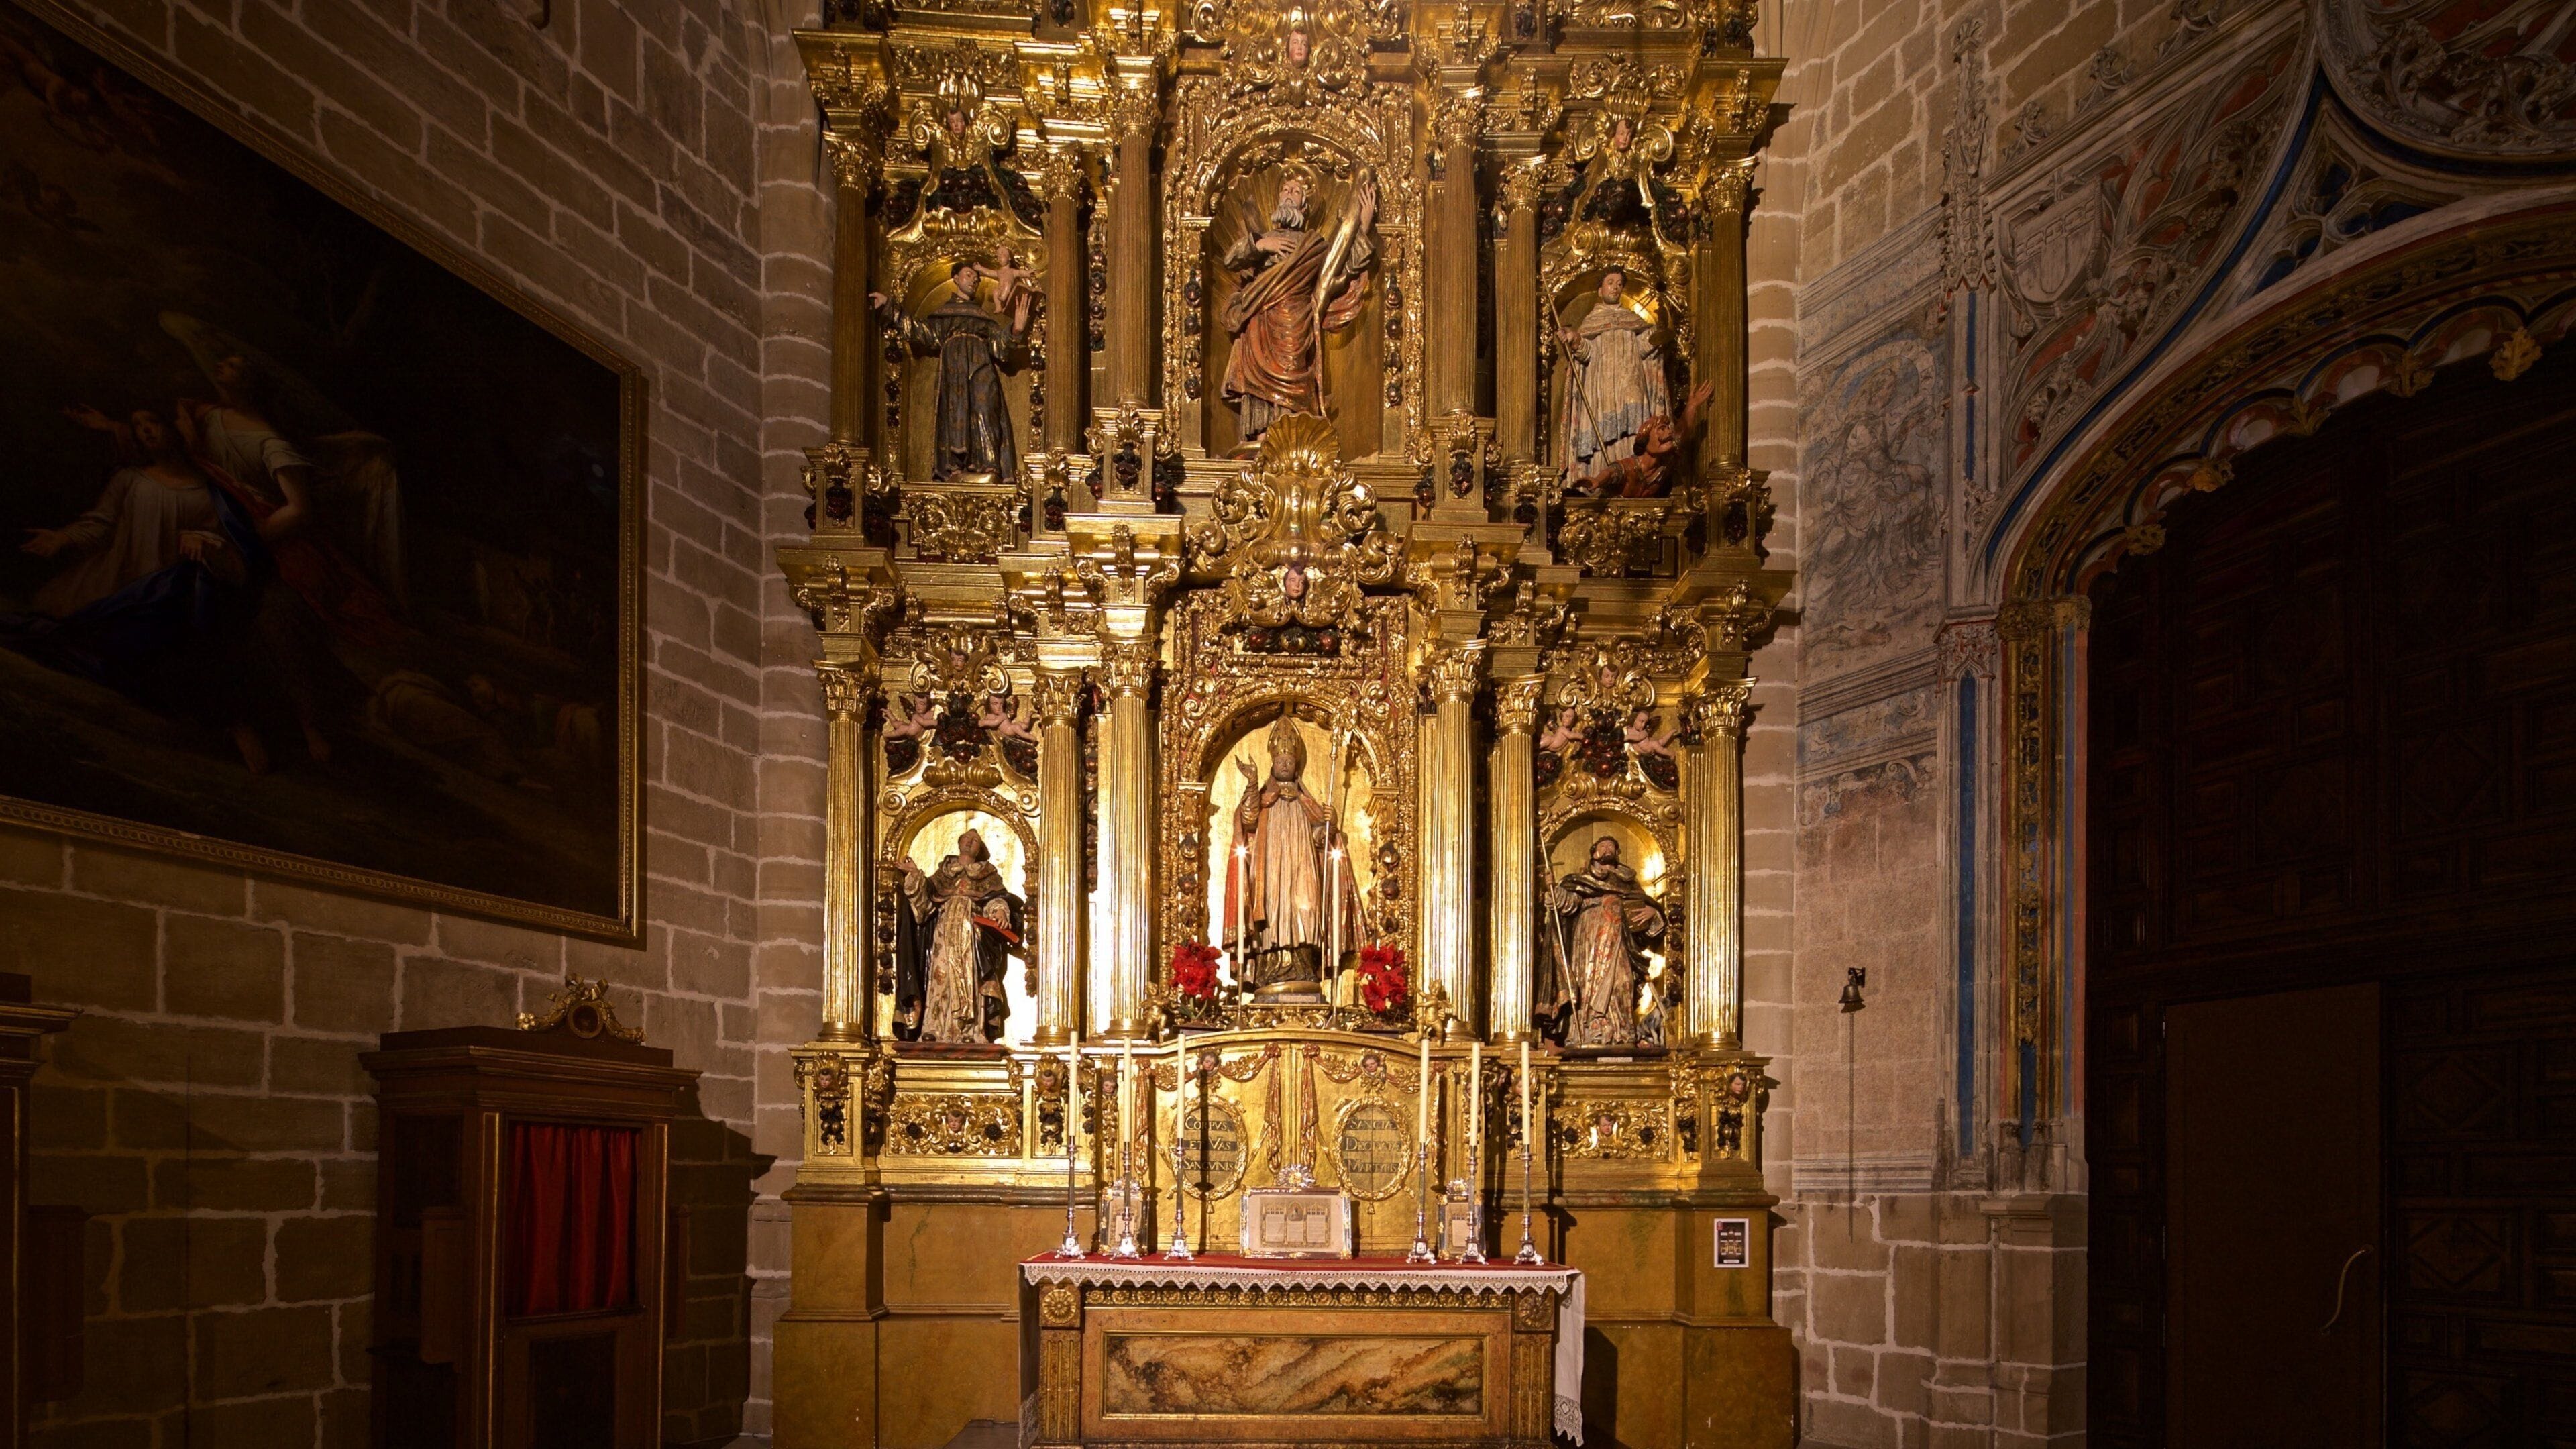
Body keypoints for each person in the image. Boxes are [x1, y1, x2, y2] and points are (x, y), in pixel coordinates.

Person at [5, 409, 275, 771]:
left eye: (153, 422)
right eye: (139, 427)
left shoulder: (214, 492)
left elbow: (238, 557)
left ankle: (234, 722)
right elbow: (101, 524)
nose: (147, 432)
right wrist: (63, 538)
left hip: (176, 599)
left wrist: (207, 542)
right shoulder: (130, 479)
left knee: (187, 598)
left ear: (175, 428)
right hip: (123, 588)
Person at [1219, 164, 1377, 445]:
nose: (1289, 194)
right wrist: (1261, 245)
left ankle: (1290, 438)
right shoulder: (1264, 238)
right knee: (1257, 382)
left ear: (1304, 206)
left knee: (1292, 372)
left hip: (1296, 319)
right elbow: (1230, 260)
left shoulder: (1314, 246)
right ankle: (1261, 436)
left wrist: (1362, 226)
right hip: (1260, 316)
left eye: (1296, 191)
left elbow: (1341, 268)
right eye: (1285, 190)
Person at [873, 262, 1028, 481]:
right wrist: (891, 308)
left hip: (982, 366)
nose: (974, 280)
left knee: (986, 408)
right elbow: (920, 331)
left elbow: (998, 346)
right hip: (955, 371)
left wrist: (1015, 330)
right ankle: (956, 468)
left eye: (976, 277)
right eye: (969, 275)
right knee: (957, 413)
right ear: (955, 278)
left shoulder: (983, 319)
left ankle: (990, 466)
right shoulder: (944, 316)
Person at [1227, 716, 1350, 985]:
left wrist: (1329, 824)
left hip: (1302, 865)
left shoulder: (1307, 804)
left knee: (1307, 906)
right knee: (1272, 910)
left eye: (1289, 761)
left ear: (1297, 766)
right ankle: (1270, 970)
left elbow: (1321, 840)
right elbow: (1248, 819)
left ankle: (1305, 968)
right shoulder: (1264, 799)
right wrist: (1252, 782)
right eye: (1280, 760)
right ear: (1272, 764)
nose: (1284, 764)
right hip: (1271, 866)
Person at [894, 828, 1024, 1043]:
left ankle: (970, 1031)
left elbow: (995, 899)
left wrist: (1000, 911)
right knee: (941, 977)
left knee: (969, 980)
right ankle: (934, 1029)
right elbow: (925, 904)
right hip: (943, 934)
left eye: (976, 840)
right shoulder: (944, 873)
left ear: (979, 850)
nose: (971, 842)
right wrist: (914, 873)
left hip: (972, 936)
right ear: (960, 842)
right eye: (967, 838)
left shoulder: (987, 875)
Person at [1544, 835, 1668, 1048]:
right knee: (1588, 983)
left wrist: (1653, 912)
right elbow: (1570, 904)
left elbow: (1643, 907)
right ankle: (1589, 1031)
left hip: (1620, 940)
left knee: (1622, 982)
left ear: (1617, 853)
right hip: (1589, 940)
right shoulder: (1581, 881)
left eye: (1612, 845)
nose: (1607, 848)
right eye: (1602, 845)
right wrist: (1555, 891)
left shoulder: (1628, 883)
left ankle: (1620, 1032)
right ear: (1594, 853)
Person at [1558, 268, 1671, 491]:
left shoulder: (1632, 320)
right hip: (1603, 387)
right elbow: (1587, 353)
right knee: (1605, 433)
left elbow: (1642, 349)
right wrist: (1574, 339)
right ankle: (1601, 484)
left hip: (1631, 381)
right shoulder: (1592, 321)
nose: (1615, 287)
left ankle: (1633, 484)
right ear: (1600, 290)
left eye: (1619, 284)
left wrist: (1657, 333)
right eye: (1610, 282)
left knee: (1635, 431)